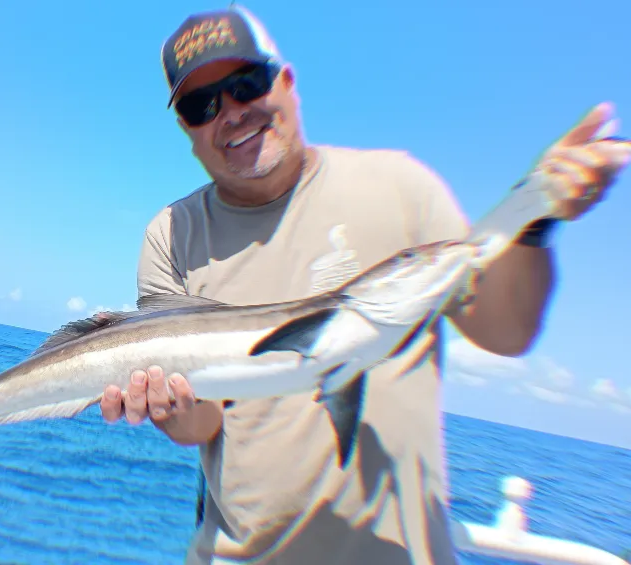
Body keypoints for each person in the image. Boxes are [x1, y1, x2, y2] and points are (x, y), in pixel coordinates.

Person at [98, 5, 631, 565]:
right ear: (187, 129)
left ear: (286, 82)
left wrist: (536, 216)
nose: (230, 112)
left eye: (246, 83)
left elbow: (507, 332)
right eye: (201, 105)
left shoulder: (400, 185)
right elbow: (201, 424)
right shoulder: (171, 235)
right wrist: (168, 407)